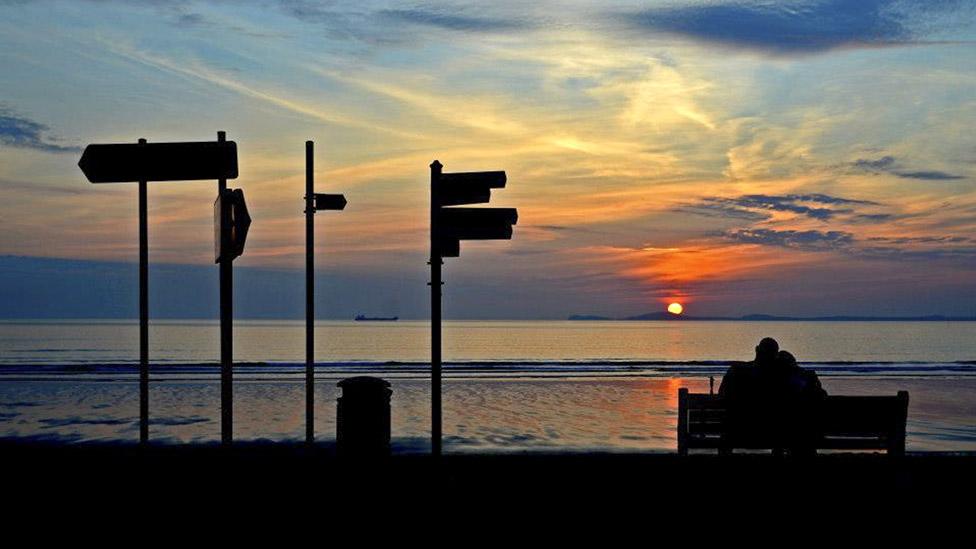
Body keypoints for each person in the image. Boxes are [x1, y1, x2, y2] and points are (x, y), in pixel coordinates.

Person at [717, 338, 827, 454]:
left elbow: (722, 397)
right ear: (775, 355)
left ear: (757, 350)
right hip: (780, 434)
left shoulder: (736, 371)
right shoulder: (784, 377)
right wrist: (795, 368)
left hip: (739, 432)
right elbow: (820, 396)